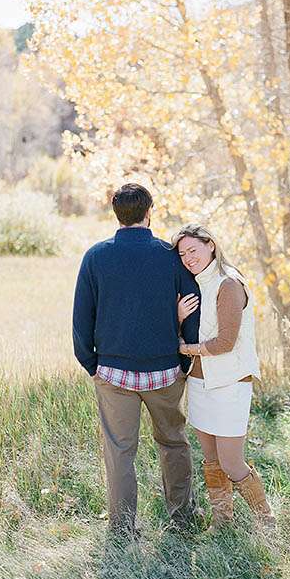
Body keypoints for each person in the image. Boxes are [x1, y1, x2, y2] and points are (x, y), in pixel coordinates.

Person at [72, 183, 202, 537]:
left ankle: (122, 529)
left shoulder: (96, 257)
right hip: (164, 371)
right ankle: (181, 518)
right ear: (149, 213)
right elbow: (192, 306)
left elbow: (82, 319)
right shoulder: (169, 256)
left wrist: (91, 364)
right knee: (173, 442)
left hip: (113, 374)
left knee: (120, 452)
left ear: (117, 214)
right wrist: (185, 358)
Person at [172, 223, 276, 530]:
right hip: (200, 382)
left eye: (193, 249)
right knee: (211, 460)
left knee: (231, 462)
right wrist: (177, 318)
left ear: (211, 245)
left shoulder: (228, 283)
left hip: (230, 383)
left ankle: (266, 521)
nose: (188, 258)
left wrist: (185, 348)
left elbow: (225, 343)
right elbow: (194, 331)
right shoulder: (195, 286)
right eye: (182, 253)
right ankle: (223, 523)